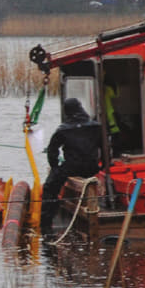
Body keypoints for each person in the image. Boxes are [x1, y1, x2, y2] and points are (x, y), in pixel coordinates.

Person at [41, 97, 104, 231]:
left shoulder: (63, 129)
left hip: (72, 168)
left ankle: (46, 224)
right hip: (92, 167)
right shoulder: (95, 126)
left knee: (49, 187)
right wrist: (102, 165)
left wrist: (55, 167)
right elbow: (105, 146)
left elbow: (52, 151)